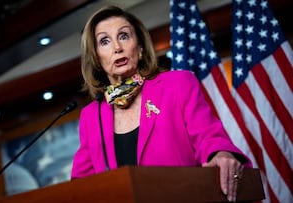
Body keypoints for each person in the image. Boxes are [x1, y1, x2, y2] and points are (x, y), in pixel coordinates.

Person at [71, 5, 251, 202]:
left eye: (123, 36)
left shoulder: (178, 84)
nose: (117, 47)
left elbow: (209, 137)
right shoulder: (92, 115)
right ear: (96, 58)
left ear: (139, 48)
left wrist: (221, 153)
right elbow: (81, 184)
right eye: (104, 41)